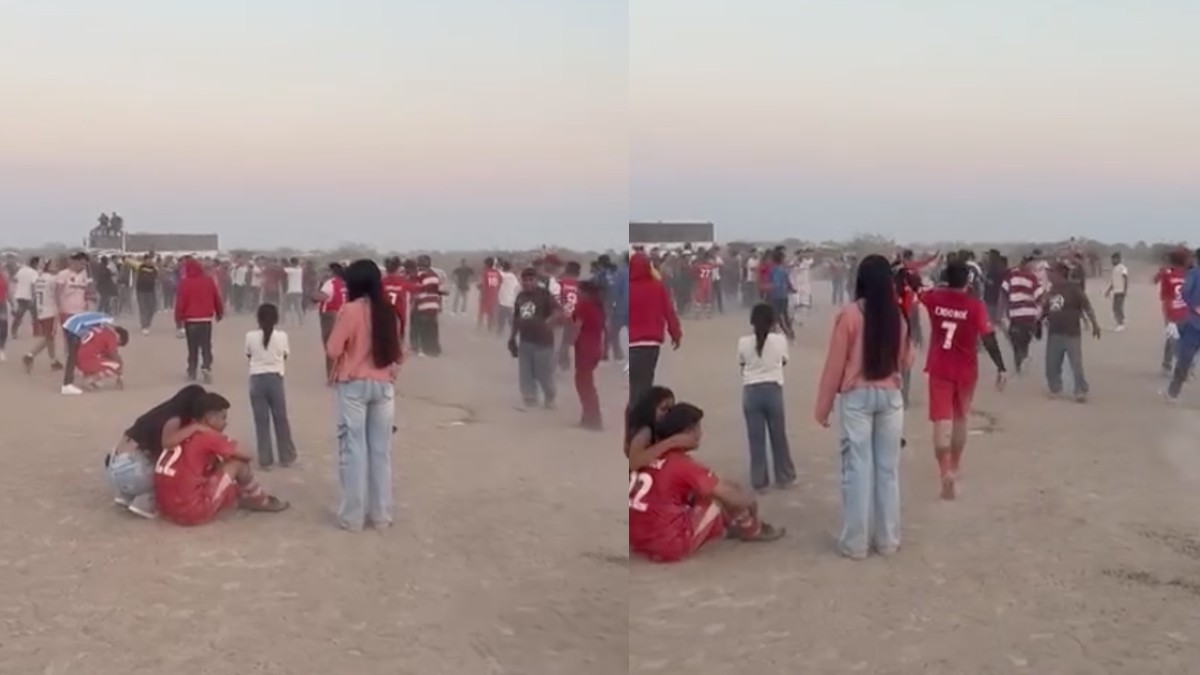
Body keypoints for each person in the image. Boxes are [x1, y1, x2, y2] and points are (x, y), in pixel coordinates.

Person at [814, 255, 910, 559]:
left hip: (857, 398)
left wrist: (823, 407)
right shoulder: (898, 316)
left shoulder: (850, 315)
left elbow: (834, 365)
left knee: (857, 470)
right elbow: (906, 361)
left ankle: (855, 543)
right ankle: (888, 540)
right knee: (887, 470)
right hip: (891, 396)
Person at [628, 403, 784, 563]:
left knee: (703, 489)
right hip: (669, 546)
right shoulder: (682, 464)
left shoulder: (648, 457)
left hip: (636, 540)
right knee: (719, 496)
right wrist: (751, 503)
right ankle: (751, 529)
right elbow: (732, 498)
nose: (700, 434)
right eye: (698, 429)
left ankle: (732, 524)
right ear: (688, 432)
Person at [920, 259, 1008, 500]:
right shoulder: (975, 306)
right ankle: (956, 466)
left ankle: (944, 471)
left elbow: (917, 287)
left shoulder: (934, 298)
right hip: (966, 371)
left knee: (941, 422)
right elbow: (988, 338)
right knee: (960, 420)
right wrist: (1001, 366)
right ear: (968, 280)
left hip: (939, 368)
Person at [325, 259, 401, 531]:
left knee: (354, 450)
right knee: (381, 452)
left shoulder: (350, 310)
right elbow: (397, 352)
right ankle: (381, 514)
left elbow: (333, 349)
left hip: (354, 384)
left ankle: (353, 517)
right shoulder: (388, 311)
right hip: (383, 385)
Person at [154, 392, 289, 526]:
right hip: (191, 512)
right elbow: (248, 454)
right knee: (238, 464)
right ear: (210, 417)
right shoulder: (206, 435)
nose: (225, 423)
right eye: (223, 418)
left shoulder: (183, 432)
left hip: (165, 508)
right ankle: (261, 501)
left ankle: (243, 497)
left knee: (220, 473)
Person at [108, 385, 208, 518]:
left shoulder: (160, 412)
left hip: (114, 468)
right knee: (170, 474)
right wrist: (195, 427)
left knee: (152, 461)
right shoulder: (174, 418)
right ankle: (144, 503)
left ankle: (125, 495)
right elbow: (168, 442)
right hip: (133, 471)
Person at [738, 303, 796, 492]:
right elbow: (784, 361)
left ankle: (759, 480)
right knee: (778, 436)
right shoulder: (780, 341)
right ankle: (784, 476)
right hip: (773, 389)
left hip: (751, 391)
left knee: (756, 439)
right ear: (772, 322)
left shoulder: (743, 342)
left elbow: (742, 364)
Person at [246, 303, 297, 469]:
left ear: (258, 319)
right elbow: (285, 355)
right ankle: (286, 456)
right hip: (275, 378)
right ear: (276, 319)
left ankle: (265, 459)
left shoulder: (250, 336)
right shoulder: (282, 336)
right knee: (280, 418)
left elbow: (249, 355)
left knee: (261, 421)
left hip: (256, 379)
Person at [627, 252, 682, 407]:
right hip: (651, 344)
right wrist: (676, 334)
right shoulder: (657, 287)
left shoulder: (628, 288)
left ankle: (633, 414)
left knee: (632, 382)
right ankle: (643, 417)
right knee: (645, 382)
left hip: (630, 344)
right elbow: (669, 312)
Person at [1043, 262, 1101, 402]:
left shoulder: (1074, 289)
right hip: (1054, 332)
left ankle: (1080, 390)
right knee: (1051, 364)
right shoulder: (1052, 290)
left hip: (1071, 333)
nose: (1049, 275)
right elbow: (1047, 309)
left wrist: (1095, 324)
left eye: (1052, 272)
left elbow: (1087, 306)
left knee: (1076, 364)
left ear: (1059, 274)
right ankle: (1055, 388)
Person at [509, 267, 561, 409]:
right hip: (525, 341)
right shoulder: (520, 297)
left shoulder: (544, 295)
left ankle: (549, 397)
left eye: (531, 280)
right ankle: (530, 400)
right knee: (525, 373)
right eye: (525, 280)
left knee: (543, 373)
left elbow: (557, 310)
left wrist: (550, 321)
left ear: (536, 281)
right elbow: (516, 318)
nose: (528, 283)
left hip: (543, 342)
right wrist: (512, 338)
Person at [174, 257, 224, 383]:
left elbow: (180, 303)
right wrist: (219, 312)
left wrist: (178, 321)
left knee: (192, 348)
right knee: (206, 346)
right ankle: (206, 366)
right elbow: (216, 297)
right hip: (205, 319)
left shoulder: (184, 283)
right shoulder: (208, 281)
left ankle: (192, 371)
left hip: (190, 321)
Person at [563, 279, 605, 429]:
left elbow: (577, 327)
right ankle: (589, 417)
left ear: (585, 292)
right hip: (595, 348)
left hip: (585, 349)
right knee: (586, 383)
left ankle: (593, 418)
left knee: (583, 384)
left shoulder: (583, 306)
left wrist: (567, 345)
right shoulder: (598, 307)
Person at [1164, 249, 1200, 403]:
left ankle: (1173, 392)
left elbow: (1185, 293)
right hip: (1193, 322)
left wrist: (1194, 307)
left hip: (1194, 324)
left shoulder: (1193, 274)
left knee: (1184, 359)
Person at [999, 256, 1045, 375]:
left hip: (1015, 315)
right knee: (1024, 343)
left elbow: (1003, 294)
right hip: (1029, 317)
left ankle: (1019, 367)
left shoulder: (1010, 276)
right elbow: (1040, 297)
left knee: (1016, 344)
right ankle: (1022, 363)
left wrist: (1002, 312)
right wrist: (1039, 313)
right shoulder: (1032, 278)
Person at [56, 252, 93, 396]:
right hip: (68, 314)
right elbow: (57, 294)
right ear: (74, 262)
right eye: (82, 263)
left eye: (85, 264)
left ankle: (79, 374)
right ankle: (67, 383)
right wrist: (59, 311)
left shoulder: (84, 275)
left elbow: (86, 293)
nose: (83, 266)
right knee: (72, 348)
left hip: (80, 314)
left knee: (79, 347)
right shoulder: (63, 275)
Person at [22, 259, 63, 373]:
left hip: (40, 309)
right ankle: (30, 355)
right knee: (49, 337)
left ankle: (53, 361)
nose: (57, 267)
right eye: (54, 265)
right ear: (47, 266)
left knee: (49, 337)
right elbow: (58, 293)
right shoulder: (53, 279)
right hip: (50, 310)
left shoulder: (38, 278)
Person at [1155, 250, 1188, 377]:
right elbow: (1165, 297)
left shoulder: (1188, 274)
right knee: (1172, 339)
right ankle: (1167, 364)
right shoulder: (1167, 275)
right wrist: (1169, 318)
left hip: (1186, 312)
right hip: (1172, 313)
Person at [75, 322, 129, 391]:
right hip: (88, 360)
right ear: (119, 337)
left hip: (80, 358)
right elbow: (113, 354)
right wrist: (120, 372)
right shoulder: (112, 336)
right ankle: (89, 380)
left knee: (102, 358)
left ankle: (89, 377)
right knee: (115, 366)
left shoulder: (103, 329)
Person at [315, 263, 347, 379]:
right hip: (343, 314)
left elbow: (319, 297)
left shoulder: (329, 283)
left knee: (330, 346)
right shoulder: (344, 283)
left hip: (330, 316)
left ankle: (332, 375)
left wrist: (316, 289)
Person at [410, 255, 443, 357]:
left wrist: (413, 305)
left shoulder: (418, 275)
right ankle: (434, 349)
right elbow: (439, 291)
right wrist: (439, 305)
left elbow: (416, 291)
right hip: (434, 304)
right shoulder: (435, 275)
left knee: (418, 326)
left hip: (422, 304)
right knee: (432, 326)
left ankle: (418, 348)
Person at [10, 256, 39, 338]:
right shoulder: (34, 272)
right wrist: (34, 296)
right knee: (35, 315)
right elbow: (33, 285)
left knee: (19, 315)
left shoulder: (21, 270)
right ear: (35, 263)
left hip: (19, 295)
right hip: (29, 296)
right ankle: (36, 332)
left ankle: (14, 331)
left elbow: (15, 279)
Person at [134, 254, 159, 334]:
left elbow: (157, 278)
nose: (149, 261)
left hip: (151, 290)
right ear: (144, 260)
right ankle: (144, 325)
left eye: (150, 260)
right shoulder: (140, 267)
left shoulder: (154, 269)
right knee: (143, 308)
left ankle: (148, 322)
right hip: (141, 290)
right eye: (148, 259)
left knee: (152, 308)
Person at [1104, 252, 1129, 332]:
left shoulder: (1123, 268)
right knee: (1115, 308)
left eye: (1113, 259)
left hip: (1121, 291)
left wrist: (1125, 290)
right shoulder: (1114, 269)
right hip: (1116, 291)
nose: (1112, 261)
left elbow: (1125, 279)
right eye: (1112, 259)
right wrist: (1108, 291)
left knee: (1118, 308)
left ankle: (1121, 324)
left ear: (1118, 259)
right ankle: (1119, 323)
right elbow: (1113, 282)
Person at [496, 260, 520, 337]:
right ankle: (514, 335)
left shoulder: (501, 275)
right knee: (511, 321)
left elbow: (497, 272)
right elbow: (517, 288)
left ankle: (499, 335)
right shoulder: (513, 277)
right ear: (510, 268)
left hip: (501, 302)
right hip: (510, 302)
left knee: (501, 321)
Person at [478, 257, 501, 331]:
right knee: (491, 313)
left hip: (486, 295)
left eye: (484, 263)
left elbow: (482, 284)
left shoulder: (485, 272)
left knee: (481, 312)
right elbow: (500, 282)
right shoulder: (496, 272)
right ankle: (490, 328)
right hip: (494, 295)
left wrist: (481, 290)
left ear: (487, 264)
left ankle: (479, 327)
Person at [283, 258, 305, 326]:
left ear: (291, 263)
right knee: (299, 308)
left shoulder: (290, 270)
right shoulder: (300, 270)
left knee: (285, 307)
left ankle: (285, 322)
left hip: (291, 291)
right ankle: (301, 323)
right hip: (299, 291)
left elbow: (282, 270)